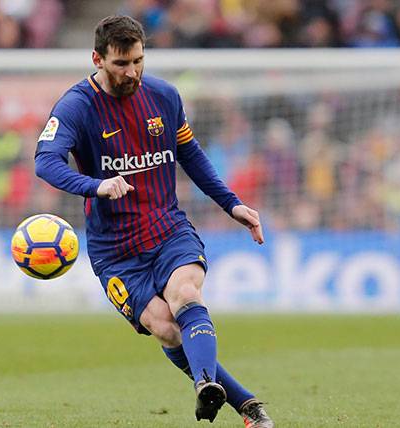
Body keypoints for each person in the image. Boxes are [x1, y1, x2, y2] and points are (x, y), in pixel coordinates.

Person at [34, 15, 273, 427]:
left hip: (167, 228)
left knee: (185, 295)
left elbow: (191, 155)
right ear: (97, 59)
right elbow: (45, 162)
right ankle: (247, 405)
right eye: (121, 64)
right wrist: (96, 185)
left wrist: (231, 203)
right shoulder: (76, 105)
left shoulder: (163, 96)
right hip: (115, 250)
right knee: (166, 327)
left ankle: (204, 385)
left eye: (138, 62)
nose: (132, 73)